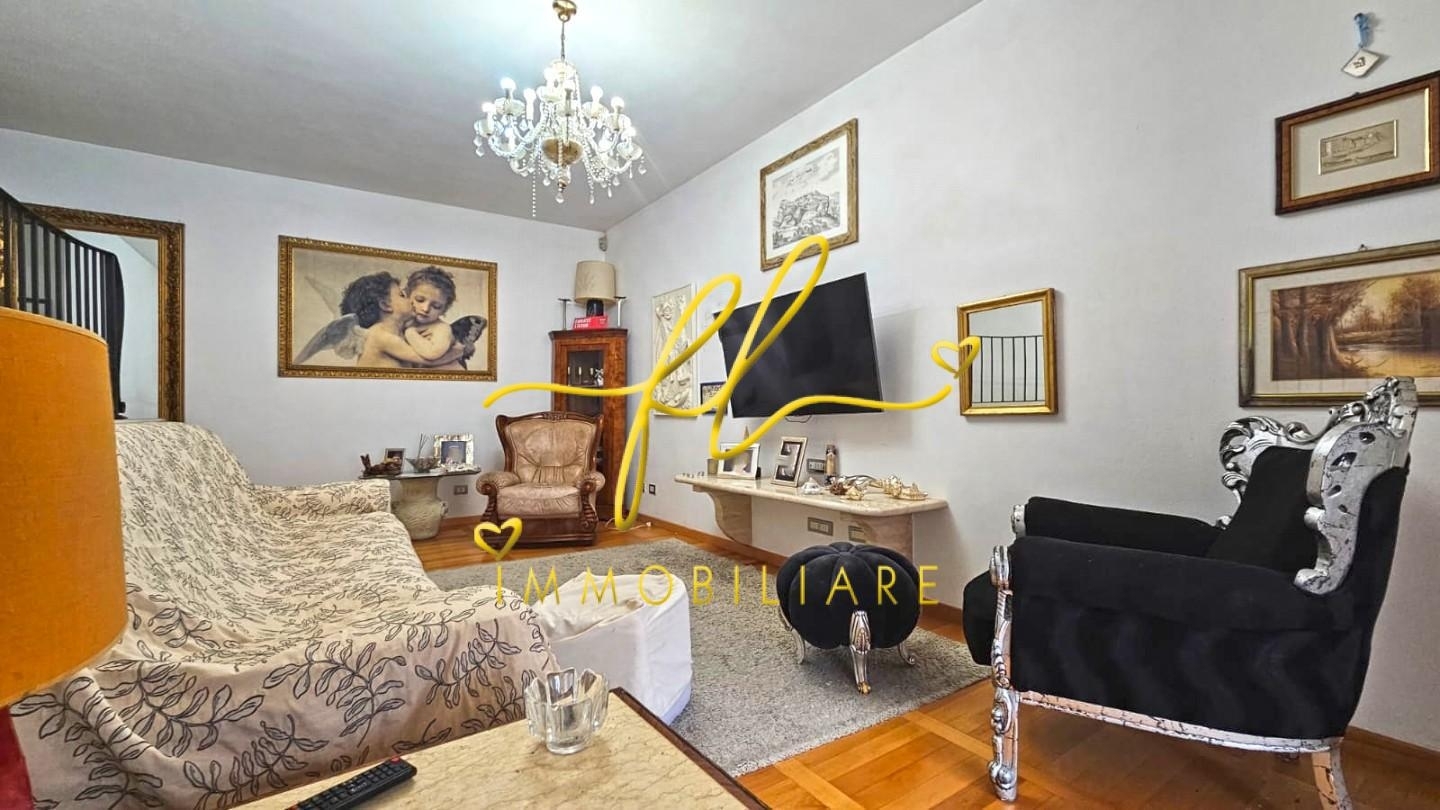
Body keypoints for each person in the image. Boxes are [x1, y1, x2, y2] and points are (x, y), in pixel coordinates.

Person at [348, 273, 463, 368]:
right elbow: (428, 360)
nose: (410, 301)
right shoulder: (379, 334)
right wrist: (455, 353)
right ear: (385, 305)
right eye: (402, 295)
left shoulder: (400, 331)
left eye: (436, 306)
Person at [402, 266, 466, 371]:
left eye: (436, 306)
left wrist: (410, 333)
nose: (425, 309)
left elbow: (431, 353)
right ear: (407, 295)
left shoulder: (442, 328)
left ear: (444, 310)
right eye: (420, 300)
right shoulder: (403, 322)